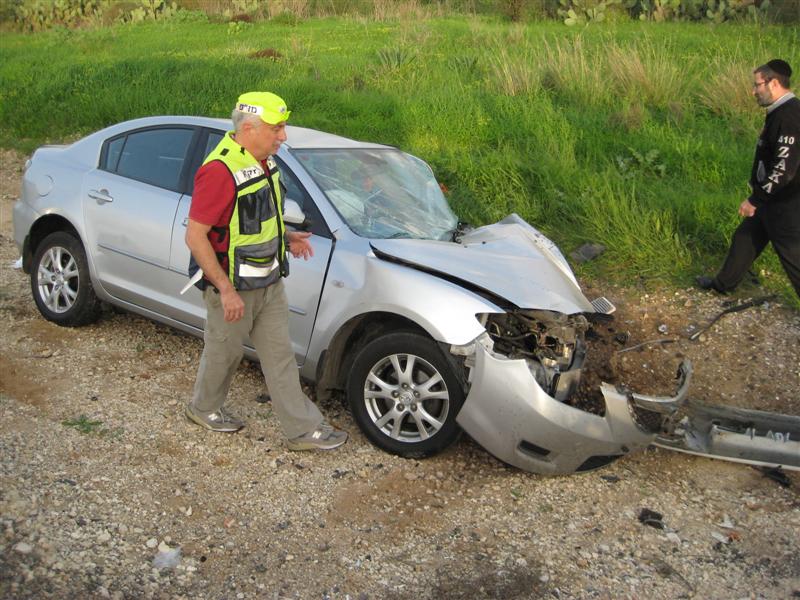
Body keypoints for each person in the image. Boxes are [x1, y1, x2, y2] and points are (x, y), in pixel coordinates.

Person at [184, 91, 347, 451]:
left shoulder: (265, 162)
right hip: (233, 288)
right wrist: (225, 290)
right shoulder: (218, 172)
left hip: (269, 283)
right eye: (277, 128)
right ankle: (203, 408)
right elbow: (195, 237)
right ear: (249, 128)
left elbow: (253, 219)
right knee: (224, 354)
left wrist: (287, 238)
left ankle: (303, 430)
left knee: (280, 358)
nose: (283, 136)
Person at [697, 59, 800, 298]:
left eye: (757, 85)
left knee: (793, 258)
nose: (753, 91)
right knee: (745, 238)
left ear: (773, 84)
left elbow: (784, 168)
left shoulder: (789, 116)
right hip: (771, 200)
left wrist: (756, 199)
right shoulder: (779, 112)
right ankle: (723, 285)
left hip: (785, 204)